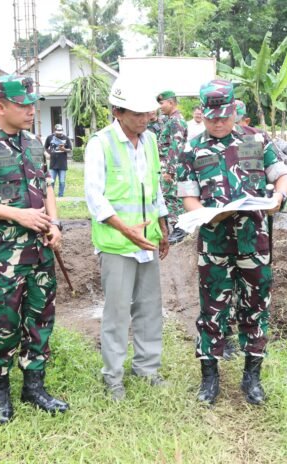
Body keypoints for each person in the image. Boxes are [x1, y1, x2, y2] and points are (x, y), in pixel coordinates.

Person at [0, 75, 69, 424]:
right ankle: (0, 391)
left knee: (40, 320)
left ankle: (34, 386)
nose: (31, 110)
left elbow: (46, 186)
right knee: (4, 324)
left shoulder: (34, 143)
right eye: (23, 105)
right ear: (0, 107)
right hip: (2, 257)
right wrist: (17, 214)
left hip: (40, 252)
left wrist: (55, 224)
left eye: (33, 104)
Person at [177, 79, 287, 405]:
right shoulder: (192, 149)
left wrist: (279, 197)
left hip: (254, 242)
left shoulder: (255, 140)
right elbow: (189, 198)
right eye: (211, 117)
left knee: (256, 307)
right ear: (203, 114)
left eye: (224, 116)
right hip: (214, 244)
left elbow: (282, 176)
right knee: (212, 309)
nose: (218, 123)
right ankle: (209, 378)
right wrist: (205, 214)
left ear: (233, 111)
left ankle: (252, 376)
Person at [84, 77, 169, 402]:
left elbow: (154, 187)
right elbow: (95, 197)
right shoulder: (101, 144)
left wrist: (162, 226)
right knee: (117, 313)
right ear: (117, 112)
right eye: (137, 114)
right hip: (117, 244)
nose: (145, 119)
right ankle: (113, 377)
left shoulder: (150, 141)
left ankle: (147, 368)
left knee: (149, 308)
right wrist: (125, 229)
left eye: (148, 113)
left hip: (146, 240)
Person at [156, 90, 188, 245]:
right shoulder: (170, 120)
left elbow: (176, 145)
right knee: (168, 196)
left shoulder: (176, 121)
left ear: (171, 102)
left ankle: (180, 228)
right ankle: (175, 227)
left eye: (162, 103)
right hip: (165, 164)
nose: (160, 106)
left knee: (172, 197)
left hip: (171, 166)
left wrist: (170, 170)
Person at [44, 124, 71, 197]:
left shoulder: (66, 138)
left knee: (62, 181)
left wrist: (64, 149)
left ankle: (61, 195)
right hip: (53, 163)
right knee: (51, 181)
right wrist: (48, 153)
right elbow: (45, 147)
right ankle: (51, 195)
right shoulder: (50, 137)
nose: (59, 134)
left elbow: (70, 149)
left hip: (63, 164)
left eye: (60, 133)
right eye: (58, 133)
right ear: (54, 131)